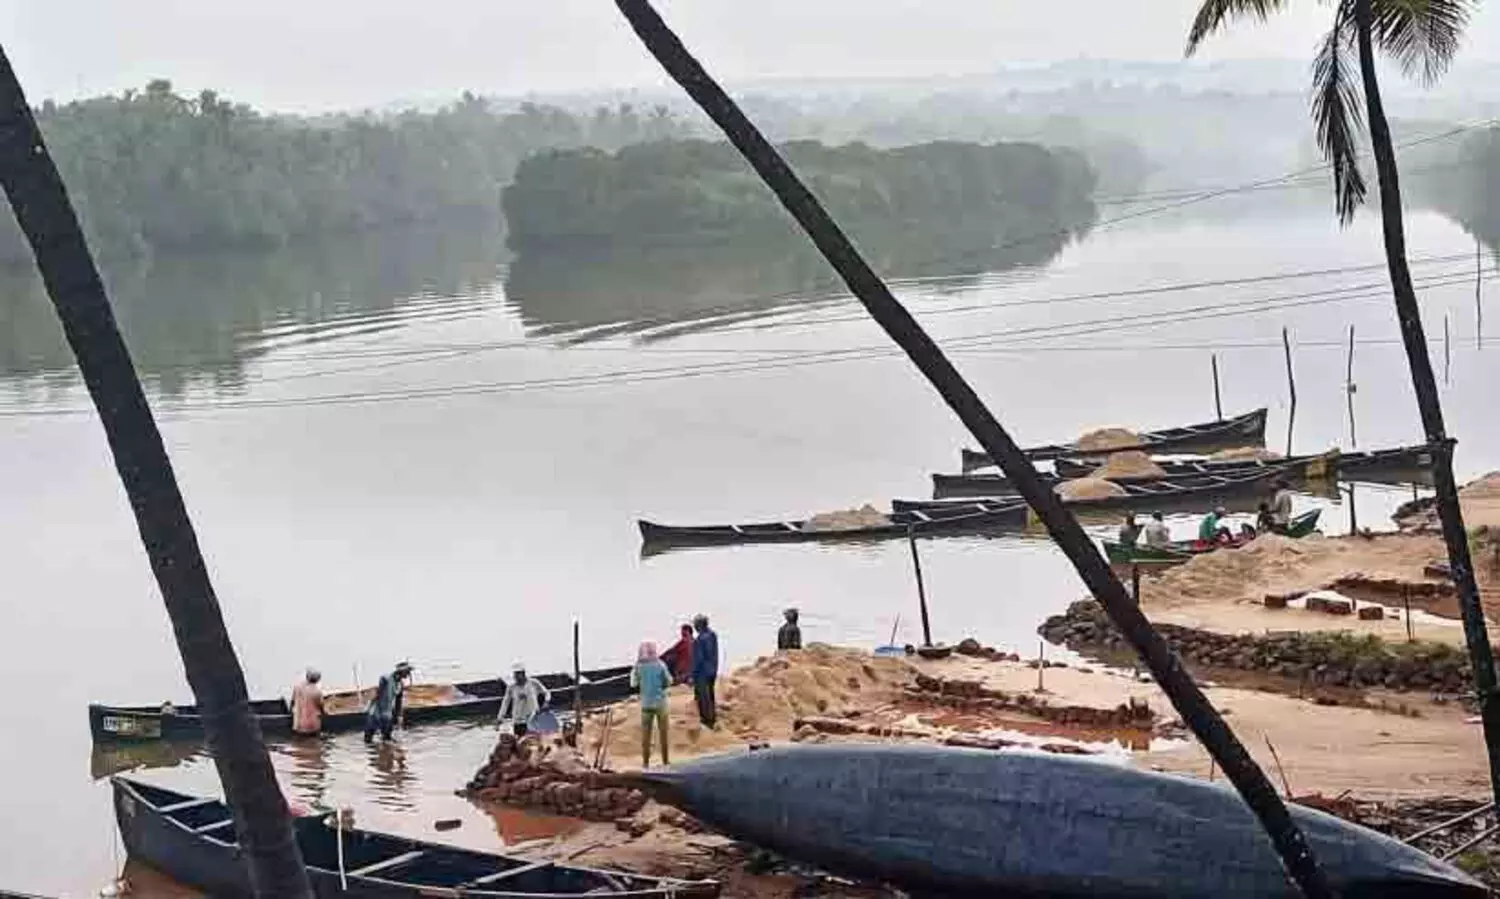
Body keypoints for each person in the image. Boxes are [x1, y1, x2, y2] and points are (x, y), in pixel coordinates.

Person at [632, 641, 672, 768]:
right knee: (663, 734)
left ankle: (645, 763)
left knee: (645, 736)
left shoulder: (638, 666)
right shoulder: (660, 665)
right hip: (661, 703)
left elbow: (633, 684)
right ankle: (665, 761)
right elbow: (669, 681)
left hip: (646, 705)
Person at [497, 661, 552, 737]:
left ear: (523, 673)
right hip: (517, 720)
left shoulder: (533, 683)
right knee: (520, 741)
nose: (516, 676)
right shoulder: (511, 687)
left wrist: (546, 702)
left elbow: (546, 693)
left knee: (534, 740)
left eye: (518, 674)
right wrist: (500, 717)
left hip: (533, 718)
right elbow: (505, 703)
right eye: (515, 674)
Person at [363, 661, 414, 744]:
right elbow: (377, 693)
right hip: (376, 713)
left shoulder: (400, 685)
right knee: (368, 740)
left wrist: (399, 716)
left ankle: (386, 754)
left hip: (387, 715)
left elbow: (399, 703)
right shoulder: (385, 679)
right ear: (401, 671)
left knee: (387, 739)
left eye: (409, 672)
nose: (408, 674)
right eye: (407, 671)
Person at [691, 614, 719, 729]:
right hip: (712, 669)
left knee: (703, 697)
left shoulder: (699, 640)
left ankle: (707, 721)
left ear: (699, 625)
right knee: (711, 695)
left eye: (695, 624)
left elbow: (698, 659)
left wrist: (692, 674)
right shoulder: (713, 635)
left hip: (702, 672)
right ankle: (712, 718)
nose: (694, 627)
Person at [291, 668, 325, 737]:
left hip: (297, 725)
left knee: (299, 744)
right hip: (311, 726)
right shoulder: (317, 691)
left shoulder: (297, 686)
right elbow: (321, 706)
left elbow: (292, 701)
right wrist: (325, 713)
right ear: (318, 679)